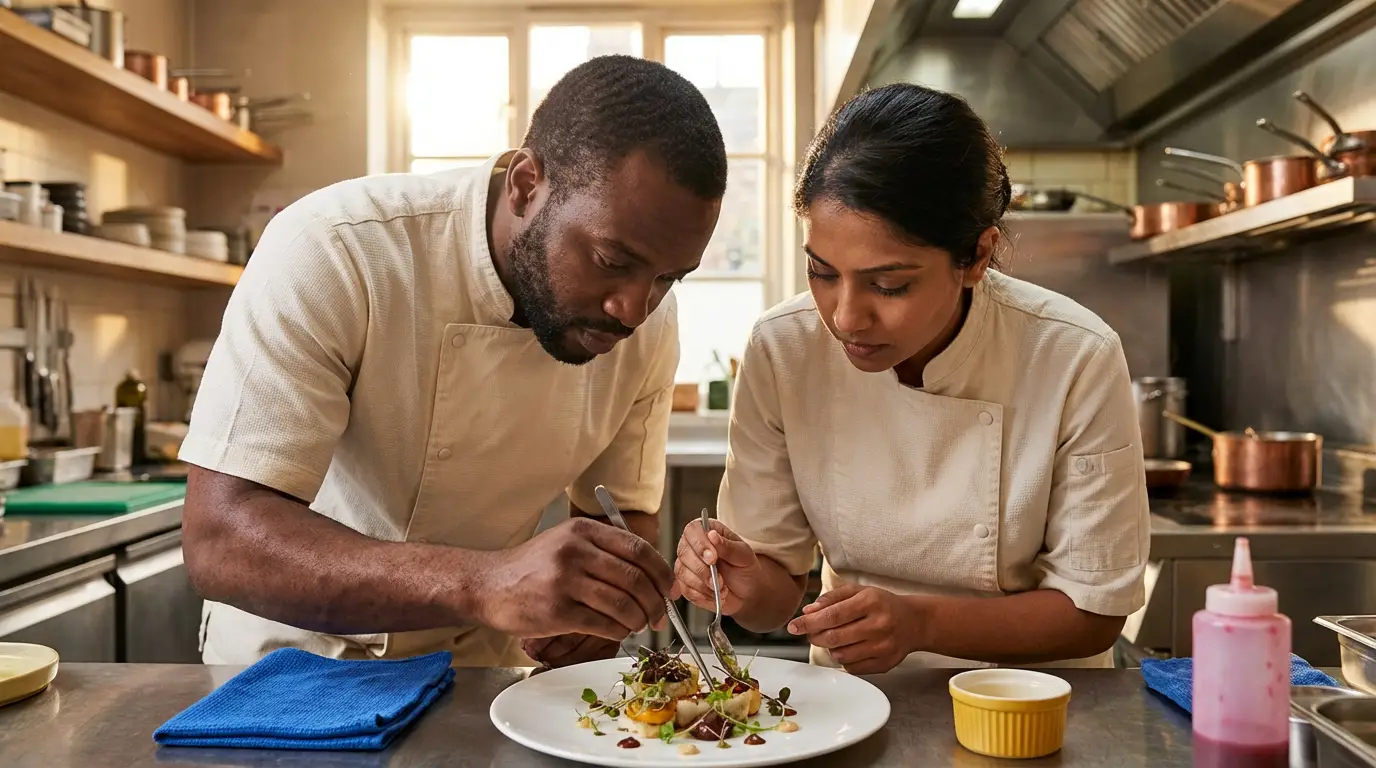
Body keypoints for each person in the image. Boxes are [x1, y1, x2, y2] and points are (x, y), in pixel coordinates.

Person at [180, 55, 727, 668]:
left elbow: (623, 514)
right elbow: (221, 539)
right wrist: (485, 584)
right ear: (526, 186)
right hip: (292, 664)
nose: (633, 309)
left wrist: (600, 608)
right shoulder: (336, 247)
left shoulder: (651, 322)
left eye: (668, 278)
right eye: (609, 260)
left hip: (482, 672)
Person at [673, 83, 1149, 673]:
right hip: (855, 705)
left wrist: (920, 624)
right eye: (822, 273)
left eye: (889, 285)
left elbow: (1094, 615)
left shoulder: (1073, 353)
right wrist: (740, 579)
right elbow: (774, 596)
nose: (846, 317)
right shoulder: (784, 348)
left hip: (1035, 707)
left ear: (976, 257)